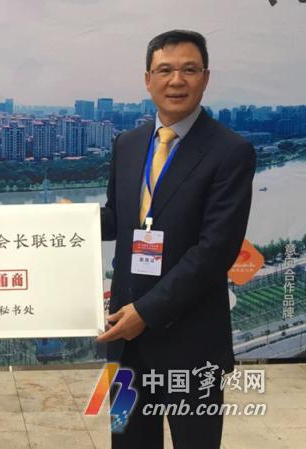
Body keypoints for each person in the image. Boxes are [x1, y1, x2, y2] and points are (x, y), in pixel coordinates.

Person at [96, 30, 255, 449]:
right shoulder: (128, 145)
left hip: (192, 345)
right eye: (165, 70)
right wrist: (65, 223)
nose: (177, 80)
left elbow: (214, 251)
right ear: (148, 79)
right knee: (126, 441)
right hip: (126, 342)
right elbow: (118, 220)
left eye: (189, 69)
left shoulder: (230, 151)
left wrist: (145, 312)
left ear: (206, 78)